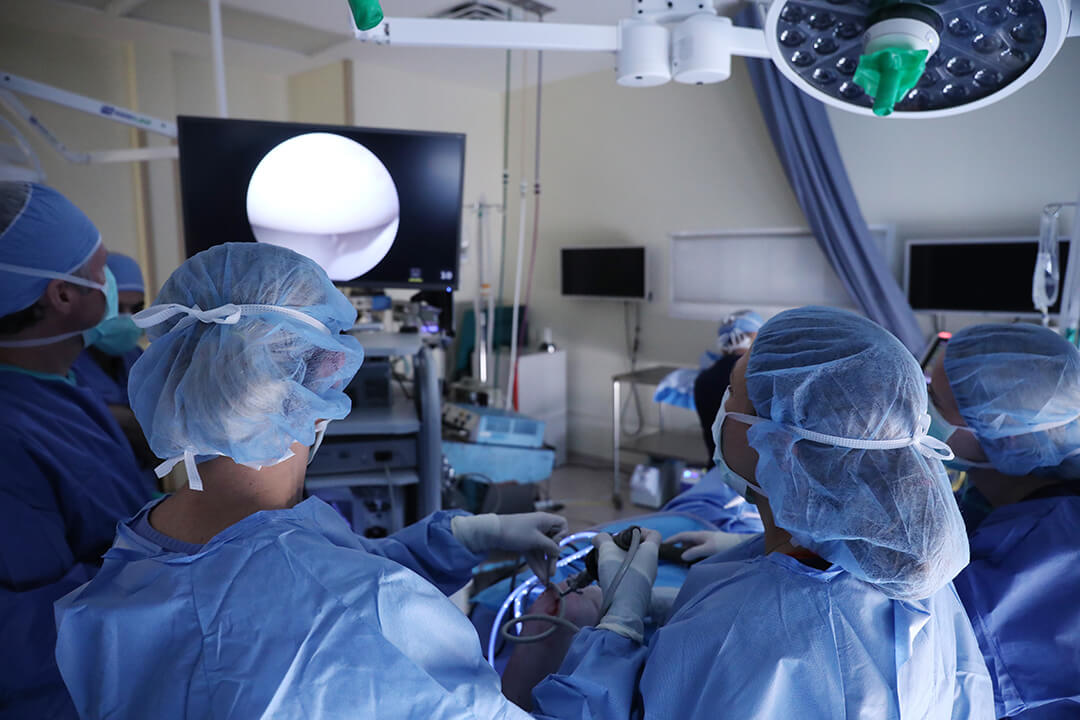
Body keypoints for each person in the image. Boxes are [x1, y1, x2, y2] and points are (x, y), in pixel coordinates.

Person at [54, 242, 565, 720]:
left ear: (177, 370)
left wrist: (463, 538)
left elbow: (299, 578)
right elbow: (337, 596)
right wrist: (578, 644)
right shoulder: (372, 606)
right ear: (328, 378)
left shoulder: (132, 560)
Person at [532, 307, 994, 719]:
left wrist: (618, 625)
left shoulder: (739, 637)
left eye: (731, 396)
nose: (720, 412)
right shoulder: (917, 578)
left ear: (783, 444)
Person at [0, 182, 152, 719]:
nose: (109, 285)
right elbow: (31, 636)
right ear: (61, 295)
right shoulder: (11, 434)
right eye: (101, 267)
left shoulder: (57, 388)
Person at [928, 323, 1080, 719]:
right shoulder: (994, 501)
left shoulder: (1025, 565)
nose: (919, 410)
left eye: (933, 401)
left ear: (1006, 434)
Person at [71, 252, 155, 469]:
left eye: (136, 309)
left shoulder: (138, 358)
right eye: (117, 308)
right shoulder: (65, 360)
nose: (128, 319)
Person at [693, 309, 762, 466]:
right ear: (754, 337)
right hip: (752, 476)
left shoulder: (704, 379)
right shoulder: (758, 378)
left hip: (717, 469)